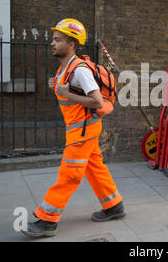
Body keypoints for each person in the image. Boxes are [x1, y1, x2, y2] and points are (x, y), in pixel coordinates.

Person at [22, 18, 125, 238]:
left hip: (82, 132)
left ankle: (47, 221)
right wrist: (57, 86)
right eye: (53, 39)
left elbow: (97, 101)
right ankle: (114, 206)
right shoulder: (66, 68)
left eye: (58, 40)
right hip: (84, 130)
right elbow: (69, 91)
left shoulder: (79, 70)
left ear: (72, 44)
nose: (52, 43)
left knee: (69, 175)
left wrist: (65, 93)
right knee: (94, 167)